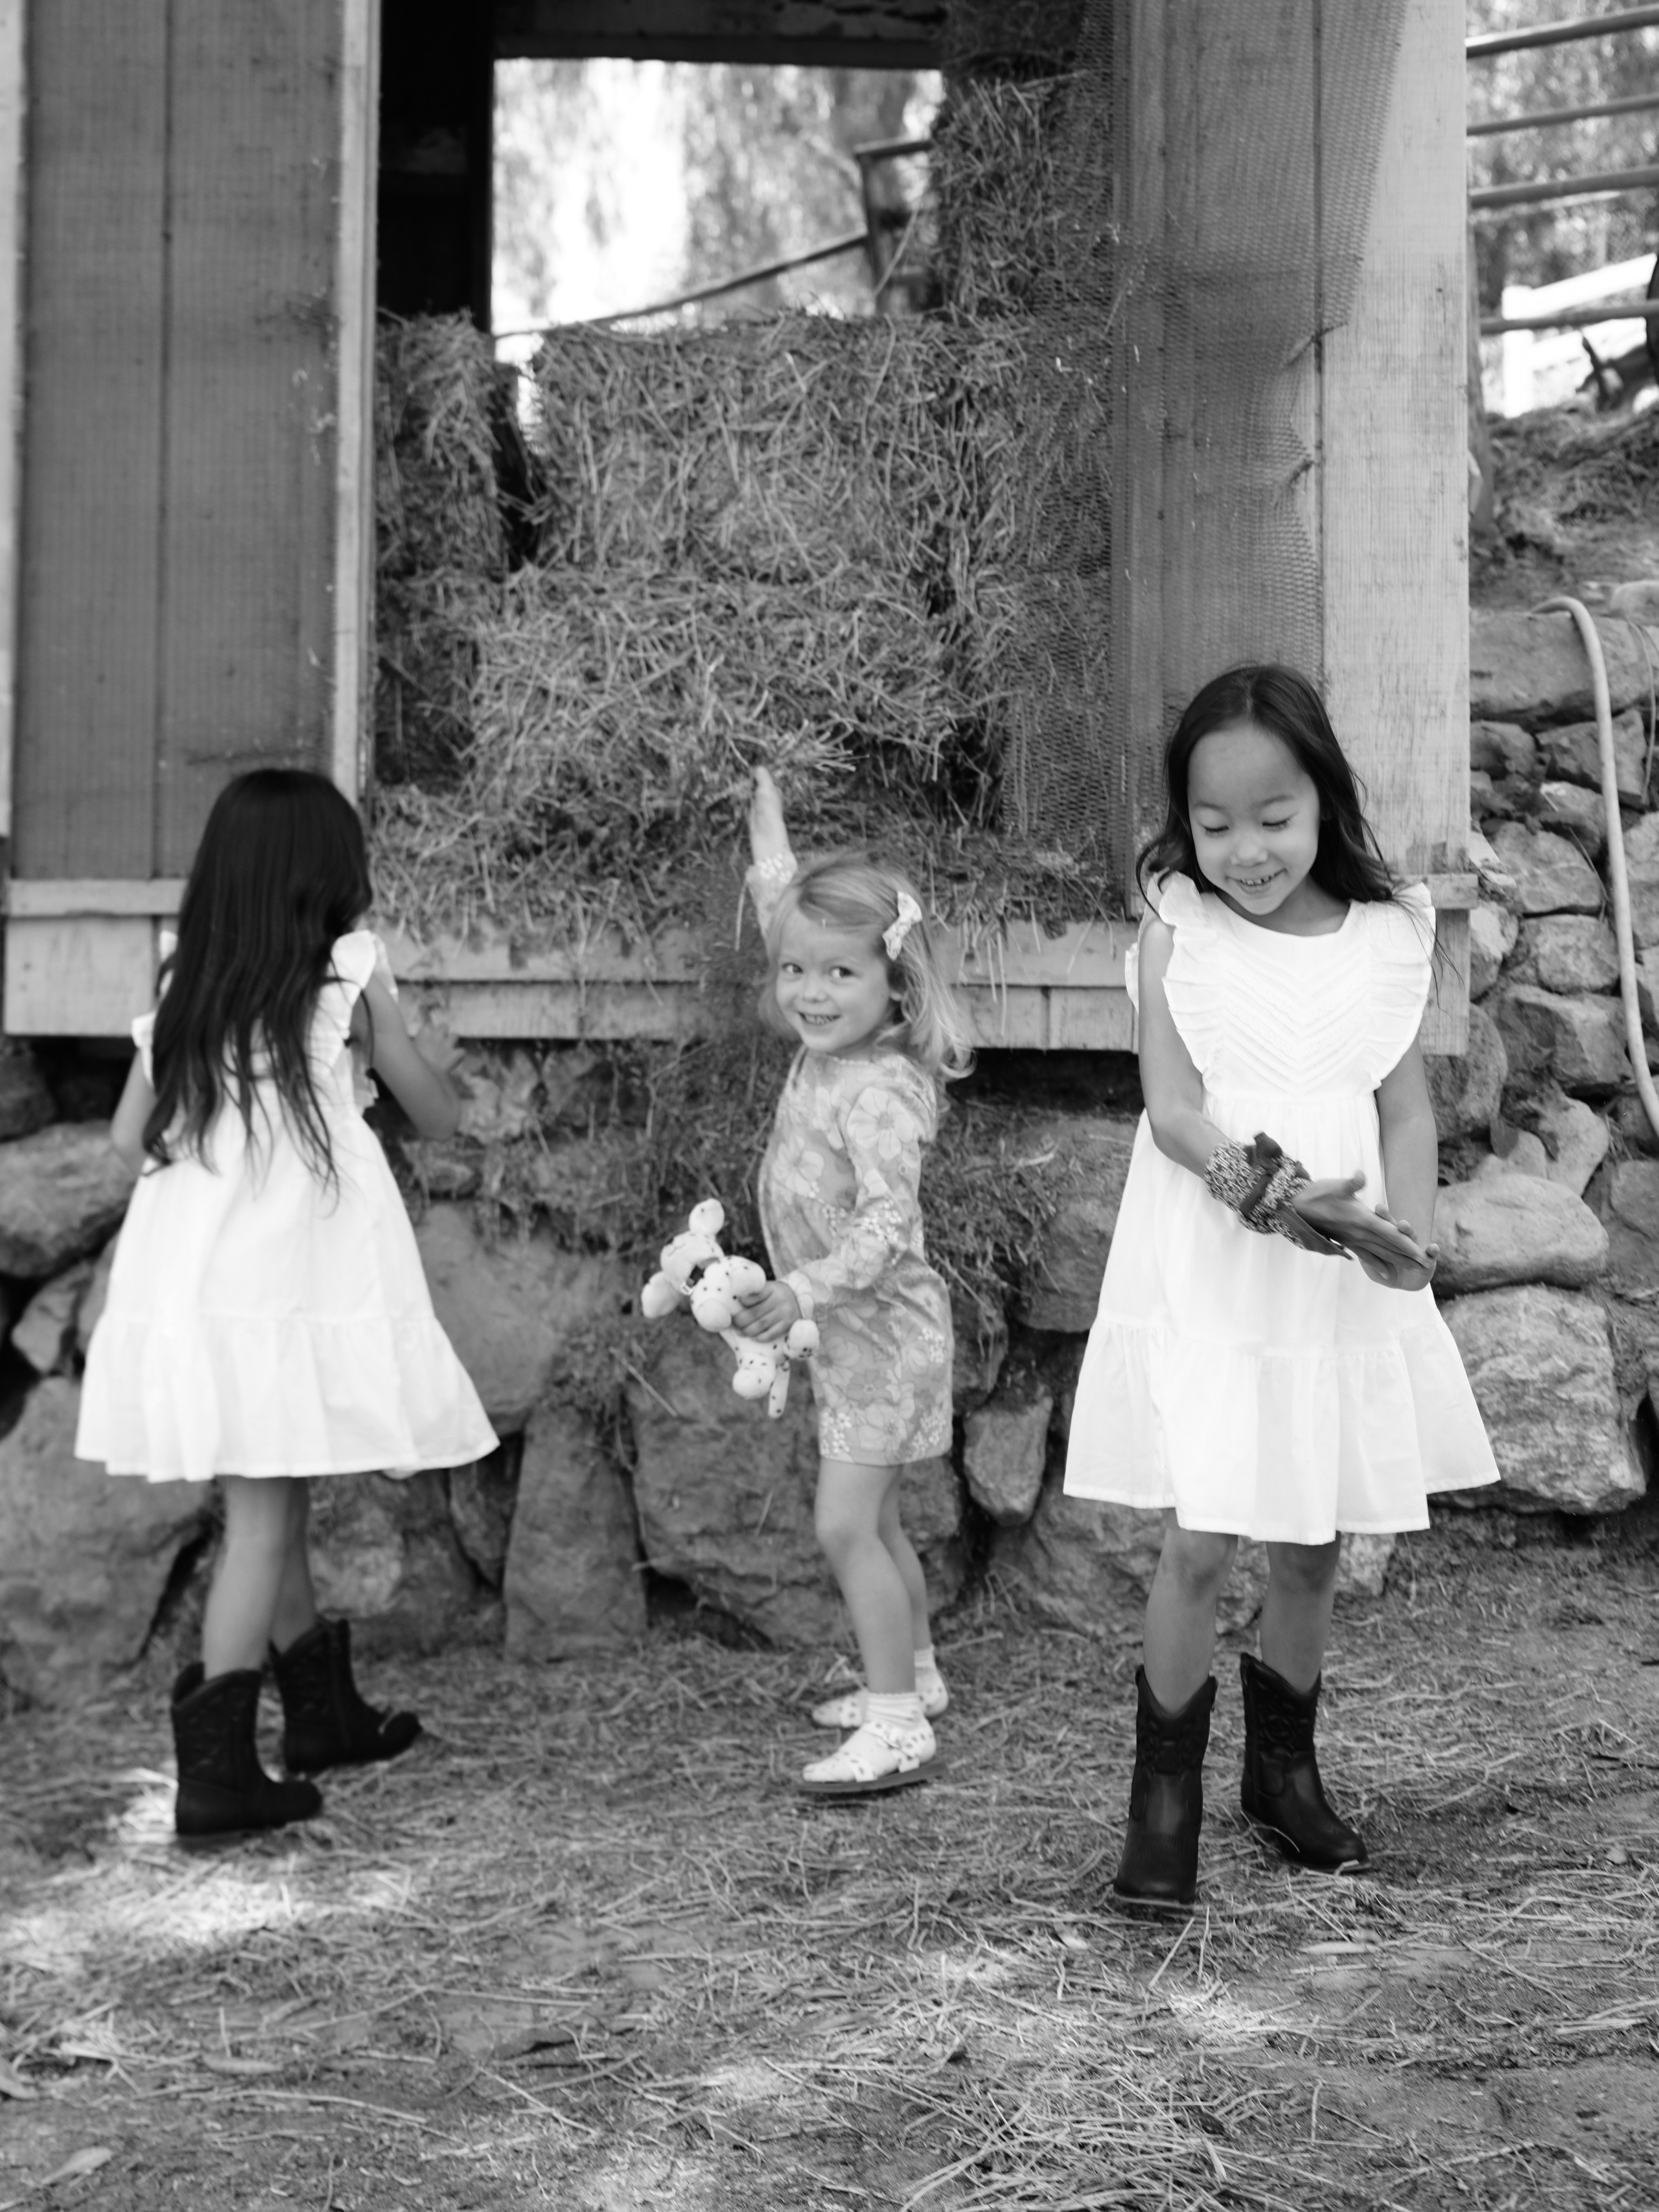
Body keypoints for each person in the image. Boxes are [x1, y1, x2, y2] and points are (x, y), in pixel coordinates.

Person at [1065, 664, 1498, 1906]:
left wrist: (1404, 1231)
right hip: (1218, 1259)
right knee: (1202, 1534)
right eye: (1213, 826)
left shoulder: (1384, 935)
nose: (1244, 851)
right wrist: (1270, 1192)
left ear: (1324, 800)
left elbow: (1404, 1108)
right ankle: (1165, 1800)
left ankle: (1284, 1775)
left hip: (1336, 1273)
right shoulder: (1178, 932)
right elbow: (1171, 1109)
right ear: (1182, 824)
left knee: (1311, 1539)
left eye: (1273, 819)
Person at [76, 769, 497, 1846]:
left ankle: (322, 1719)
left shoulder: (191, 981)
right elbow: (434, 1113)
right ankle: (215, 1776)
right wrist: (394, 1073)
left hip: (207, 1286)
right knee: (262, 1515)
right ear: (331, 880)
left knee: (279, 1493)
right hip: (289, 1286)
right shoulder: (349, 973)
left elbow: (130, 1143)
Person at [737, 768, 972, 1796]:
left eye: (838, 974)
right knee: (875, 1522)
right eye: (795, 970)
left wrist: (805, 1292)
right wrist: (770, 826)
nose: (809, 992)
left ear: (894, 987)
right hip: (854, 1336)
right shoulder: (828, 1052)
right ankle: (912, 1677)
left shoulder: (880, 1090)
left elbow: (888, 1224)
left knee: (844, 1523)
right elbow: (781, 901)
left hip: (879, 1334)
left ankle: (894, 1727)